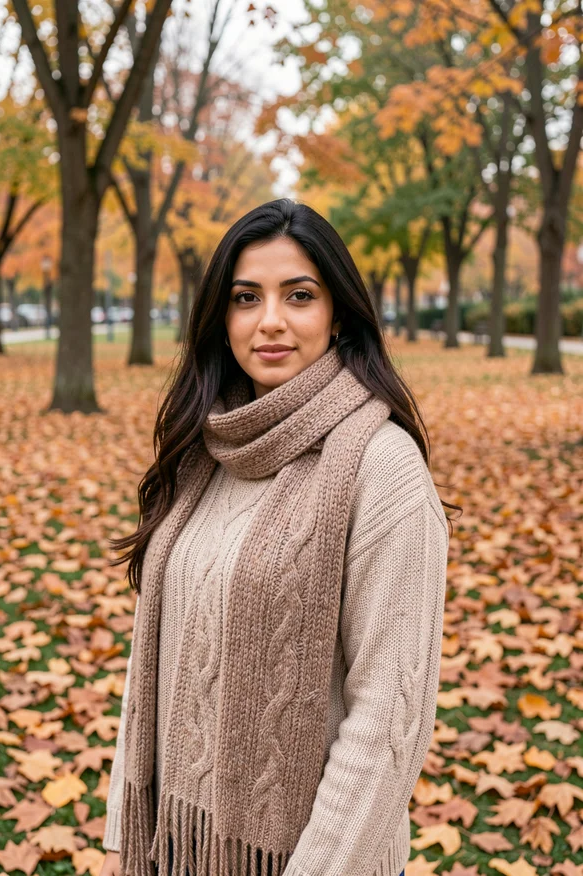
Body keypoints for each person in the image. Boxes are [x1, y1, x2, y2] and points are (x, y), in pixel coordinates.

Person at [100, 198, 455, 876]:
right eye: (245, 298)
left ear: (338, 314)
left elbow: (388, 721)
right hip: (175, 847)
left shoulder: (383, 468)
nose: (270, 320)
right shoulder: (202, 453)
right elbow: (155, 660)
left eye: (299, 295)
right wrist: (123, 836)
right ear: (221, 317)